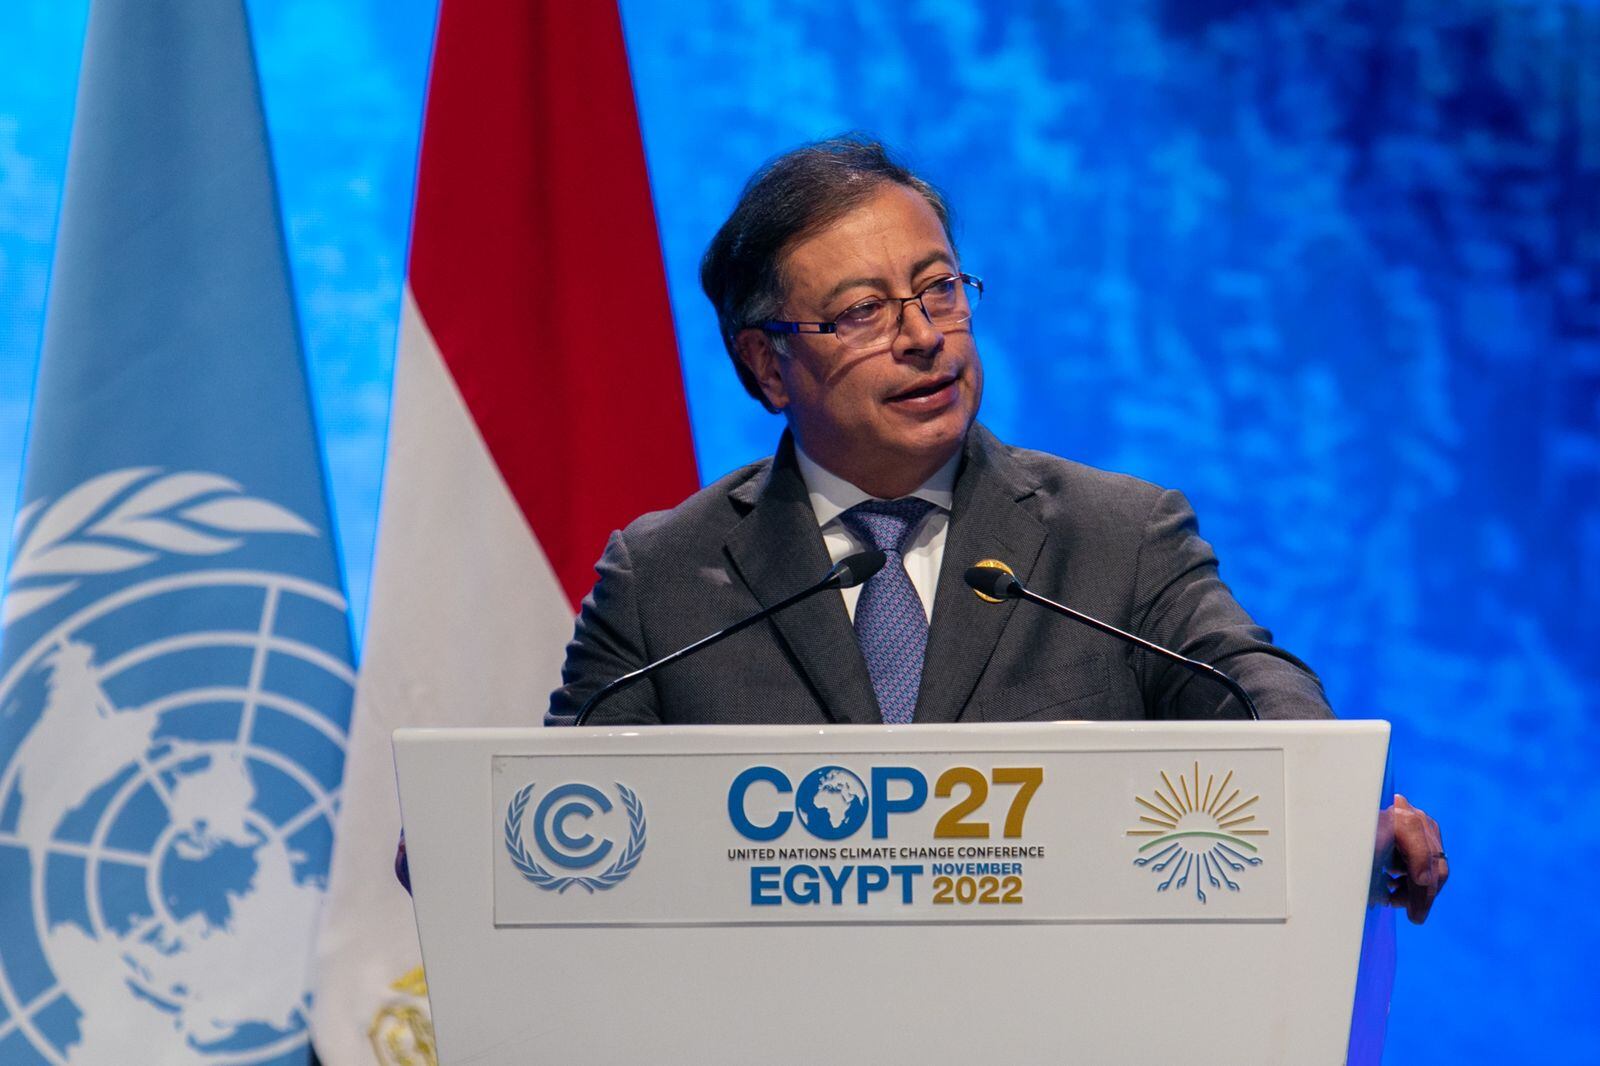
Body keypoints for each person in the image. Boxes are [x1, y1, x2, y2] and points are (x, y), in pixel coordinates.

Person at [541, 136, 1447, 922]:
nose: (923, 336)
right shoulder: (663, 578)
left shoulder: (1118, 536)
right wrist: (484, 854)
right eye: (862, 312)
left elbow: (1255, 688)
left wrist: (1337, 807)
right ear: (767, 365)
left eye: (938, 290)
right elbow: (568, 818)